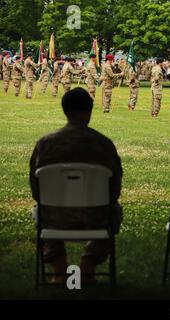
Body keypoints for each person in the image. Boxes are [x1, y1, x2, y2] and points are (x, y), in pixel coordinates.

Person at [29, 88, 123, 284]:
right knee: (115, 211)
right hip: (96, 217)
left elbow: (36, 190)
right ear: (89, 111)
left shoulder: (45, 144)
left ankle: (59, 269)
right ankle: (88, 267)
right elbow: (114, 190)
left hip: (54, 218)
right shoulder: (103, 145)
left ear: (65, 110)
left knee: (39, 210)